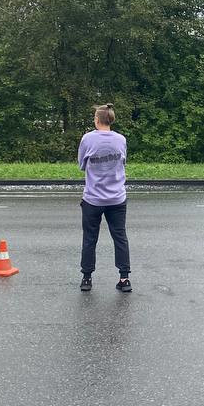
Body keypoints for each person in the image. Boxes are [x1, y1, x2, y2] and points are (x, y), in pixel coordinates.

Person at [77, 103, 131, 292]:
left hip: (93, 198)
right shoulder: (121, 139)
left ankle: (87, 278)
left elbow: (81, 165)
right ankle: (124, 279)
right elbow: (123, 161)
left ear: (97, 120)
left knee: (90, 238)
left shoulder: (87, 139)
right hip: (117, 197)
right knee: (120, 237)